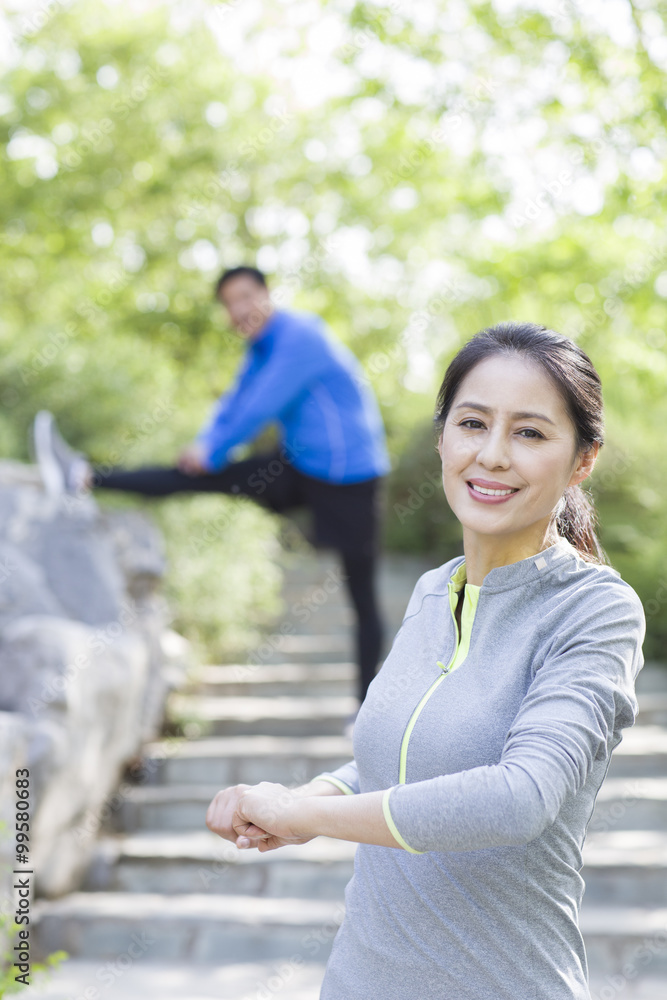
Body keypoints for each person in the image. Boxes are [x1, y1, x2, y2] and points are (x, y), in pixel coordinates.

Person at [205, 321, 646, 1000]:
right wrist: (297, 801)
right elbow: (395, 758)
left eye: (529, 433)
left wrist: (309, 819)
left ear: (581, 460)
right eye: (472, 424)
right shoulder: (430, 590)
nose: (491, 455)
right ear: (442, 437)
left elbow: (518, 798)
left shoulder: (593, 610)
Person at [31, 265, 391, 734]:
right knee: (194, 476)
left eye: (245, 296)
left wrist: (214, 450)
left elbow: (263, 404)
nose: (237, 310)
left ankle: (368, 710)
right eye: (228, 303)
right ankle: (82, 476)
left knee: (360, 591)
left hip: (351, 477)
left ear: (266, 295)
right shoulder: (260, 347)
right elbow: (234, 401)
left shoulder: (300, 336)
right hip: (299, 464)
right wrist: (204, 447)